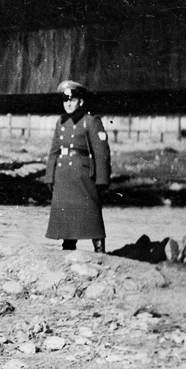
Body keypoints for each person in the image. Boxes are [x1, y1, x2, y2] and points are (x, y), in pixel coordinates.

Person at [45, 80, 111, 252]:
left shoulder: (90, 121)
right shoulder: (61, 122)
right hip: (63, 175)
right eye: (65, 100)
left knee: (91, 212)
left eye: (72, 100)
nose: (68, 103)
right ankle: (68, 246)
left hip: (83, 176)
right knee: (65, 212)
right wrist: (49, 176)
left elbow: (101, 152)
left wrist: (102, 180)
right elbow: (54, 151)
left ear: (80, 102)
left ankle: (99, 248)